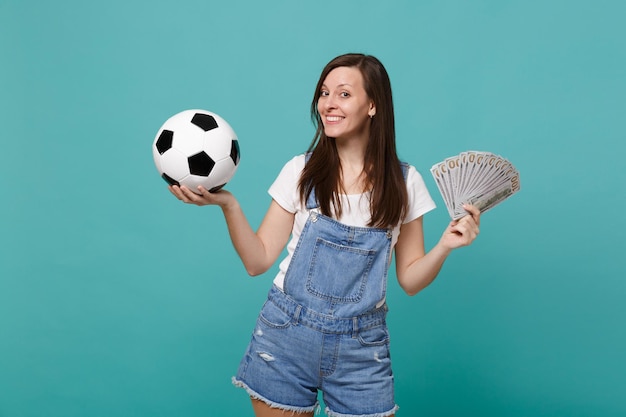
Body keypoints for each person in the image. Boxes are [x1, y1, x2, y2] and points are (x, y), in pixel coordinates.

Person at [169, 53, 481, 417]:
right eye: (324, 93)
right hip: (285, 335)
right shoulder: (301, 171)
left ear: (373, 105)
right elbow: (257, 262)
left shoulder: (405, 183)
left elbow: (410, 280)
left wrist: (446, 245)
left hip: (362, 348)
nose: (329, 104)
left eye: (344, 94)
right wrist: (230, 206)